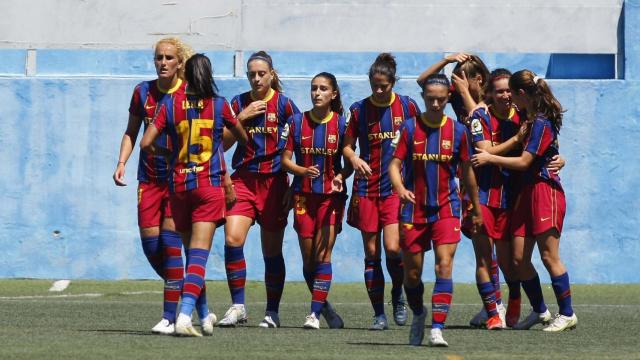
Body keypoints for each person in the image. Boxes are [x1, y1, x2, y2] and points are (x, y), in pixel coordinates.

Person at [140, 53, 247, 336]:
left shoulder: (170, 103)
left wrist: (169, 153)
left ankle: (203, 314)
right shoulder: (219, 104)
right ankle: (185, 315)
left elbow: (146, 142)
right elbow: (242, 136)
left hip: (179, 186)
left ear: (185, 75)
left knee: (189, 253)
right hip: (207, 186)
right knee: (199, 256)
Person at [472, 70, 577, 332]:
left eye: (512, 93)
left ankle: (567, 313)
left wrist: (490, 158)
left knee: (548, 255)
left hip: (544, 189)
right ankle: (540, 310)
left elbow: (525, 161)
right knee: (518, 260)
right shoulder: (528, 119)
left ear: (520, 93)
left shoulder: (540, 121)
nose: (508, 99)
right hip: (525, 192)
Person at [389, 74, 482, 347]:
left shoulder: (459, 132)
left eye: (441, 99)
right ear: (424, 97)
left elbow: (467, 174)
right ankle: (419, 314)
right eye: (431, 98)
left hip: (446, 208)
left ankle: (437, 329)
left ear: (447, 98)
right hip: (413, 210)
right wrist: (399, 189)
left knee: (444, 266)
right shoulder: (408, 128)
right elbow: (393, 165)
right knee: (413, 274)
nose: (436, 103)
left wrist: (475, 208)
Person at [113, 37, 193, 334]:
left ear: (179, 63)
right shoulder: (142, 91)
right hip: (148, 179)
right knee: (151, 246)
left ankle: (169, 316)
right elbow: (131, 131)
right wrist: (121, 162)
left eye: (169, 58)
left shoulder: (188, 93)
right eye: (158, 57)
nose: (162, 62)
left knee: (172, 247)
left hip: (178, 180)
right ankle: (192, 295)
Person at [343, 53, 420, 330]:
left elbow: (421, 138)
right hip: (366, 188)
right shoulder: (358, 110)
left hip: (395, 190)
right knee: (372, 252)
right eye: (374, 84)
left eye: (383, 85)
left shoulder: (408, 107)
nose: (378, 90)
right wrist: (353, 158)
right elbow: (347, 145)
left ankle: (397, 296)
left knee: (393, 248)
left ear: (392, 82)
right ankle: (378, 314)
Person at [281, 72, 351, 329]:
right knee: (309, 260)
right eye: (314, 88)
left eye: (323, 89)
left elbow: (349, 163)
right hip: (303, 197)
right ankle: (326, 307)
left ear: (333, 94)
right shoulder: (296, 122)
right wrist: (301, 171)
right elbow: (285, 160)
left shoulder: (342, 125)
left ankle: (313, 314)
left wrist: (342, 176)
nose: (317, 93)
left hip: (331, 197)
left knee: (324, 254)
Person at [467, 68, 529, 329]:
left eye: (508, 90)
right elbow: (484, 151)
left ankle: (514, 298)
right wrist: (517, 138)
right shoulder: (479, 117)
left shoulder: (525, 115)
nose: (505, 95)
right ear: (489, 94)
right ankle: (494, 312)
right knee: (484, 256)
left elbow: (543, 146)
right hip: (481, 195)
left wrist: (560, 159)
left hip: (512, 197)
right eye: (499, 91)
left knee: (508, 261)